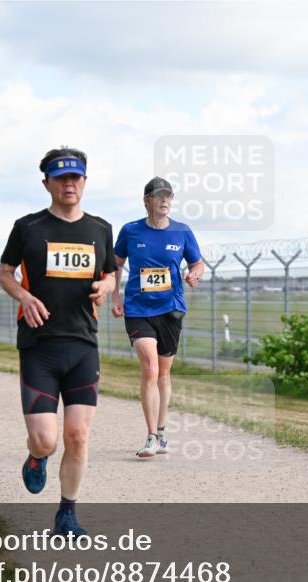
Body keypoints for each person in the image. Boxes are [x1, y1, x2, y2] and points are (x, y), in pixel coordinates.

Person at [0, 147, 116, 537]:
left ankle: (67, 513)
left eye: (76, 177)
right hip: (39, 347)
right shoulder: (28, 227)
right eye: (61, 177)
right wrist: (24, 297)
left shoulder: (100, 228)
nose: (69, 183)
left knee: (78, 434)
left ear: (84, 181)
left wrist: (107, 286)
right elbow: (4, 272)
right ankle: (36, 457)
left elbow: (112, 273)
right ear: (46, 182)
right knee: (46, 439)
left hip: (82, 344)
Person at [112, 177, 205, 457]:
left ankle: (162, 432)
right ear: (147, 201)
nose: (165, 201)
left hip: (171, 308)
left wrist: (194, 274)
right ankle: (151, 436)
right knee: (150, 368)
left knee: (163, 372)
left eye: (169, 196)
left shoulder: (182, 231)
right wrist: (115, 296)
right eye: (159, 196)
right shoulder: (130, 231)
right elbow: (115, 264)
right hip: (138, 308)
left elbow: (198, 262)